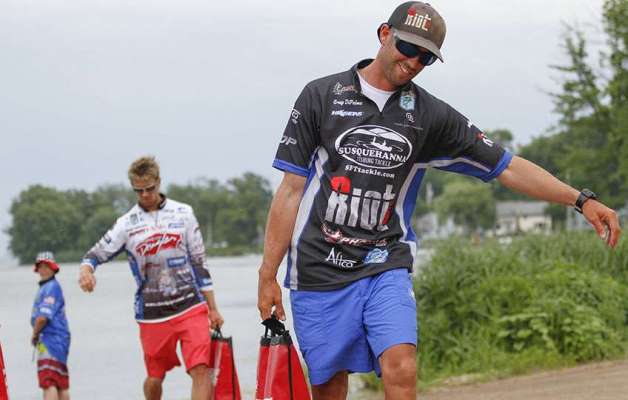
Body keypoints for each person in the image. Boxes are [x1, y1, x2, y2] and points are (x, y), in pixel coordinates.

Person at [257, 2, 622, 399]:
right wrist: (267, 274)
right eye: (408, 48)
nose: (414, 62)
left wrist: (581, 200)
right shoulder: (321, 96)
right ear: (384, 34)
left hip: (384, 261)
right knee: (329, 387)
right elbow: (290, 191)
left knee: (402, 366)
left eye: (426, 57)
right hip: (317, 268)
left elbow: (507, 166)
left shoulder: (429, 116)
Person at [78, 156, 224, 400]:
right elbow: (95, 254)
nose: (145, 195)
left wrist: (213, 308)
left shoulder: (184, 213)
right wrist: (86, 271)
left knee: (200, 369)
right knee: (155, 378)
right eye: (139, 190)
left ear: (158, 182)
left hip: (190, 306)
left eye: (150, 188)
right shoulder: (126, 224)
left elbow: (200, 262)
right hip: (153, 314)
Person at [31, 251, 71, 400]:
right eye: (40, 266)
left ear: (53, 268)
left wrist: (34, 334)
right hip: (60, 339)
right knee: (60, 382)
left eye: (46, 266)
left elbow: (42, 318)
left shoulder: (50, 288)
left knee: (48, 381)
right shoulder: (51, 287)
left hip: (51, 339)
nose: (43, 269)